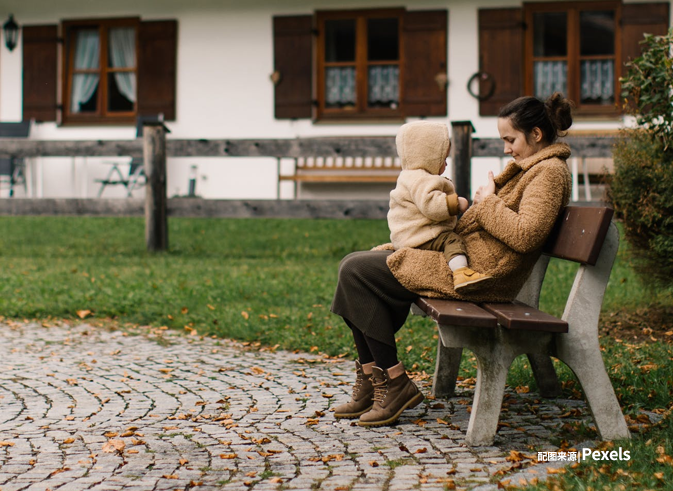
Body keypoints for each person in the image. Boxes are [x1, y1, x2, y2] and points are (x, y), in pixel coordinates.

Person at [331, 92, 574, 427]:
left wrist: (486, 202)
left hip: (483, 274)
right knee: (354, 268)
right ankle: (377, 380)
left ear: (536, 134)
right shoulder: (531, 168)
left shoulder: (549, 173)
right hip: (467, 259)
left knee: (356, 272)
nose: (506, 148)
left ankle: (393, 381)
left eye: (510, 139)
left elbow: (525, 234)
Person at [388, 120, 491, 292]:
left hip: (408, 234)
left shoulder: (409, 176)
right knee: (451, 240)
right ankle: (461, 273)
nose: (446, 164)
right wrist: (456, 203)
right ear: (428, 157)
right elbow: (432, 206)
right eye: (443, 159)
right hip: (421, 235)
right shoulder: (421, 180)